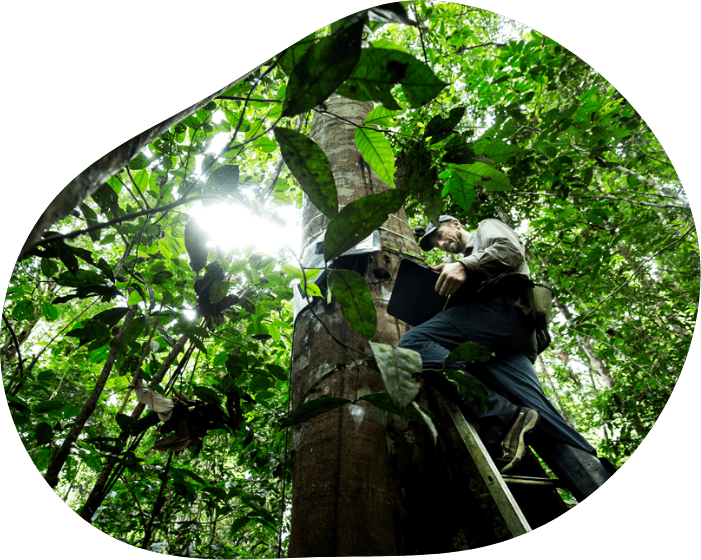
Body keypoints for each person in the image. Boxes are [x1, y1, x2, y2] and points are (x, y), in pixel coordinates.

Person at [397, 215, 615, 501]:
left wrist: (464, 266)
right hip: (503, 339)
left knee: (413, 343)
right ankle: (597, 483)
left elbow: (510, 251)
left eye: (439, 234)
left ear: (455, 224)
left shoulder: (485, 228)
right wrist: (449, 277)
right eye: (436, 242)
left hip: (502, 311)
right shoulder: (467, 258)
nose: (441, 243)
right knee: (541, 417)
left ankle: (507, 416)